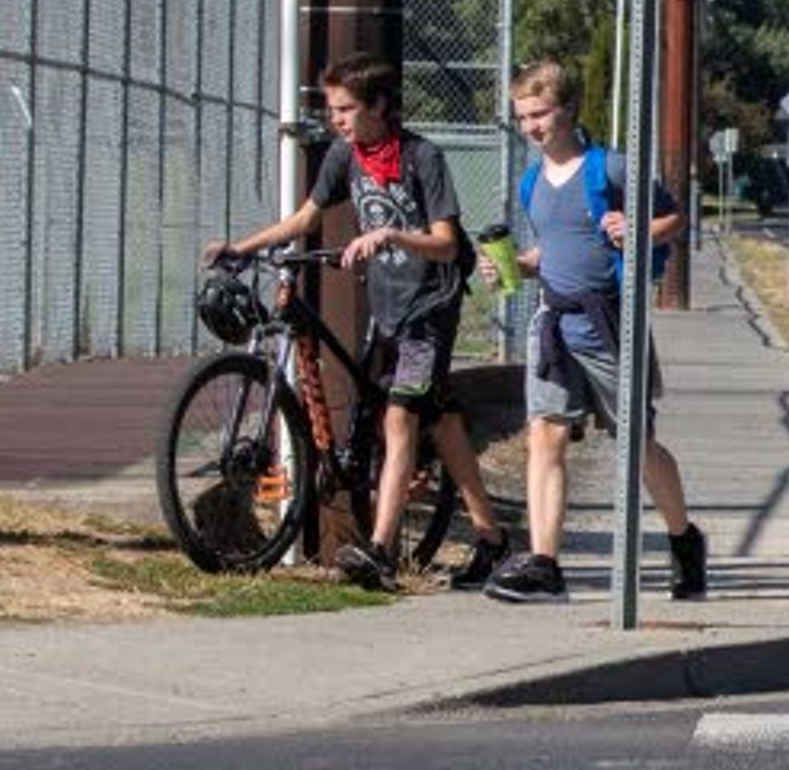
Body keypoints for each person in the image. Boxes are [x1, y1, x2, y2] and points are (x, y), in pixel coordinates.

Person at [211, 55, 511, 591]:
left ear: (379, 106)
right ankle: (491, 538)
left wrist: (391, 235)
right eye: (332, 110)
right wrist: (241, 246)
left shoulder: (423, 157)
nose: (338, 120)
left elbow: (446, 243)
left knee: (399, 419)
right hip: (388, 306)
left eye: (347, 109)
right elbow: (305, 219)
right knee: (440, 423)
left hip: (430, 307)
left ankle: (379, 551)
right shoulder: (344, 157)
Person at [486, 60, 709, 605]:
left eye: (540, 114)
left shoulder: (609, 169)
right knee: (546, 434)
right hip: (554, 325)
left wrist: (638, 230)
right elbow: (557, 247)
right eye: (522, 118)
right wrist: (521, 264)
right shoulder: (532, 180)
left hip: (609, 326)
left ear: (566, 110)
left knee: (636, 445)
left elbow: (674, 221)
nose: (532, 127)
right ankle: (544, 564)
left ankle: (684, 541)